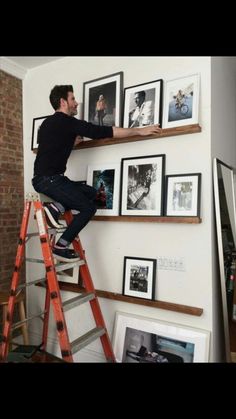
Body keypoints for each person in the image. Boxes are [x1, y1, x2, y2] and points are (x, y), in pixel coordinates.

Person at [32, 85, 162, 262]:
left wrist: (71, 142)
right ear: (62, 102)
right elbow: (104, 132)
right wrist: (139, 130)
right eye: (72, 99)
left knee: (94, 195)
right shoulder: (68, 122)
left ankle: (55, 209)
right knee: (89, 208)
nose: (76, 103)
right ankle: (60, 246)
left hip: (47, 179)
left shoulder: (47, 124)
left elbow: (53, 147)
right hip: (50, 181)